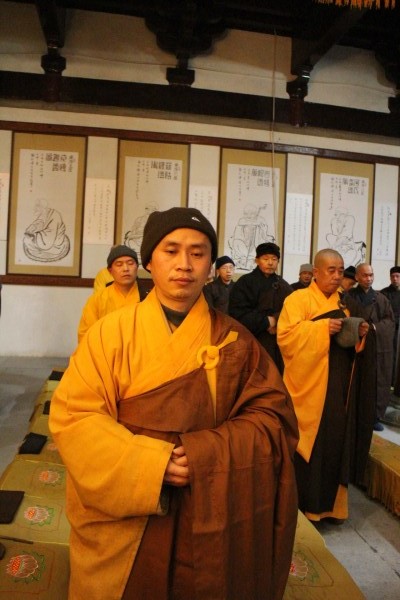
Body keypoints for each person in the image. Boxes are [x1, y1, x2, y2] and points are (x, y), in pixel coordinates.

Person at [50, 206, 299, 600]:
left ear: (210, 266)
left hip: (209, 508)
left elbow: (273, 420)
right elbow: (75, 417)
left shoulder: (235, 340)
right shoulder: (109, 334)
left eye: (198, 253)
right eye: (171, 251)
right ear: (149, 260)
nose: (184, 264)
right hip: (128, 517)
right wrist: (151, 464)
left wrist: (206, 453)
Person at [277, 249, 371, 523]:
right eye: (331, 270)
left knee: (335, 442)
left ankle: (333, 508)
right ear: (315, 273)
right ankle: (303, 509)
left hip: (339, 383)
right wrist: (320, 329)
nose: (337, 276)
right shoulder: (297, 299)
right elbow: (285, 337)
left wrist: (360, 333)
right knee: (311, 445)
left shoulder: (346, 301)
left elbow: (356, 339)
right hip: (309, 384)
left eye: (340, 270)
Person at [229, 241, 292, 373]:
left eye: (274, 259)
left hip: (277, 343)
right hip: (252, 341)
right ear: (257, 260)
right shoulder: (245, 282)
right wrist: (266, 321)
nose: (270, 263)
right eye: (266, 259)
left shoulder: (284, 285)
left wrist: (276, 319)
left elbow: (293, 311)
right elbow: (237, 313)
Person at [346, 263, 395, 431]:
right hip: (354, 346)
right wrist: (357, 327)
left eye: (371, 275)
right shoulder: (348, 297)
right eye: (365, 275)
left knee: (376, 381)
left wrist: (373, 328)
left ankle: (374, 416)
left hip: (375, 348)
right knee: (354, 381)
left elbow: (389, 322)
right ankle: (352, 415)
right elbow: (342, 319)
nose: (369, 279)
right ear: (357, 277)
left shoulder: (381, 299)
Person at [77, 245, 146, 342]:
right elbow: (86, 336)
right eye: (119, 264)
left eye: (130, 263)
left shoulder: (149, 297)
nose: (126, 268)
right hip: (105, 350)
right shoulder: (97, 300)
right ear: (110, 271)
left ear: (137, 267)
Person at [380, 266, 400, 389]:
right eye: (393, 276)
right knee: (390, 355)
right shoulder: (384, 293)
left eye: (397, 276)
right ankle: (390, 382)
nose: (395, 279)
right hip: (390, 329)